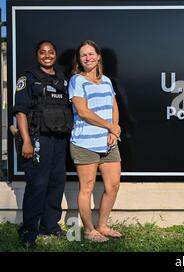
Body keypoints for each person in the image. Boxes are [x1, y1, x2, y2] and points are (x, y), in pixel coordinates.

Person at [13, 40, 73, 248]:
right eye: (42, 52)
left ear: (55, 55)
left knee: (56, 183)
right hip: (38, 139)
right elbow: (20, 112)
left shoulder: (63, 81)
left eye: (51, 52)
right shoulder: (28, 79)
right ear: (37, 55)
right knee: (37, 184)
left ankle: (50, 225)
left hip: (59, 140)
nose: (47, 55)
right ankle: (29, 229)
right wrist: (27, 141)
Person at [69, 40, 122, 242]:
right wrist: (109, 126)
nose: (88, 58)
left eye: (91, 54)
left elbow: (113, 107)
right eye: (83, 55)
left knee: (113, 185)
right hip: (85, 142)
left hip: (108, 143)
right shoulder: (77, 81)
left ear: (98, 56)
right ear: (79, 60)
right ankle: (89, 230)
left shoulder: (107, 81)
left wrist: (114, 131)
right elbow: (83, 112)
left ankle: (102, 226)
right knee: (87, 186)